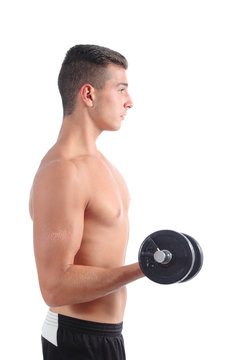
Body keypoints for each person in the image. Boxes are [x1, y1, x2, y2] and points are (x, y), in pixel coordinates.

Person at [29, 44, 145, 360]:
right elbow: (54, 286)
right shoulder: (63, 172)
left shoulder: (103, 165)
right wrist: (143, 268)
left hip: (108, 338)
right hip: (74, 339)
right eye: (121, 90)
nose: (129, 102)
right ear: (89, 95)